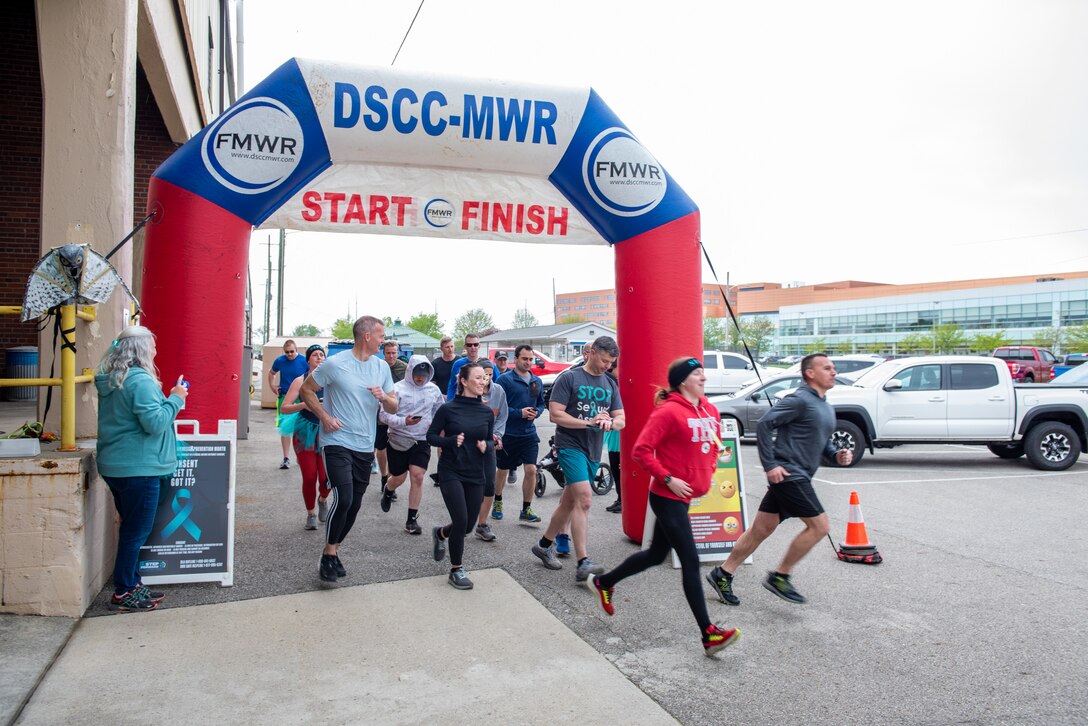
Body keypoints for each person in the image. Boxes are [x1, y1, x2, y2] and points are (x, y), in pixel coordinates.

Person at [589, 356, 741, 657]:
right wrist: (669, 478)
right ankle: (709, 634)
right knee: (691, 559)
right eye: (698, 374)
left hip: (686, 497)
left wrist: (707, 472)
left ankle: (604, 581)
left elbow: (715, 446)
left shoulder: (710, 410)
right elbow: (640, 451)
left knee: (655, 555)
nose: (704, 379)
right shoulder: (669, 412)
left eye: (703, 374)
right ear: (683, 381)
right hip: (667, 496)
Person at [706, 353, 851, 606]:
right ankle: (780, 576)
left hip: (798, 474)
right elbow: (764, 424)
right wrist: (770, 464)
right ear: (810, 373)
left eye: (834, 368)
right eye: (827, 368)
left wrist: (836, 454)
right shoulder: (799, 400)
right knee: (820, 527)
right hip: (789, 475)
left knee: (761, 529)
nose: (834, 372)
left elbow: (822, 440)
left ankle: (723, 573)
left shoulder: (825, 405)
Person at [95, 325, 188, 612]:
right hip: (140, 467)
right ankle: (124, 591)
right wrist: (176, 398)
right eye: (153, 346)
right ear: (143, 350)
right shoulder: (141, 382)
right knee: (136, 531)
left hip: (116, 465)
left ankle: (132, 584)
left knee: (131, 526)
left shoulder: (112, 380)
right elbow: (155, 423)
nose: (156, 352)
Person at [301, 316, 397, 584]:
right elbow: (307, 390)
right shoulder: (335, 364)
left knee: (354, 504)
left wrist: (384, 397)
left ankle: (334, 549)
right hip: (336, 440)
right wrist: (324, 416)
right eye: (380, 335)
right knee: (343, 498)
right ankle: (329, 554)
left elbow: (394, 407)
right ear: (366, 336)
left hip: (364, 445)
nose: (384, 340)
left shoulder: (381, 367)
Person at [532, 336, 624, 583]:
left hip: (593, 450)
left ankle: (543, 545)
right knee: (584, 498)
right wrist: (588, 422)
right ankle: (584, 562)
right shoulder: (569, 378)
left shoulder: (610, 384)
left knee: (568, 502)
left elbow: (621, 419)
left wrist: (609, 422)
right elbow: (555, 415)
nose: (607, 365)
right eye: (604, 360)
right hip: (569, 446)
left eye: (611, 362)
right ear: (591, 353)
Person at [427, 362, 494, 590]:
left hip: (475, 473)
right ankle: (456, 569)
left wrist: (488, 445)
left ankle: (441, 533)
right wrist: (449, 441)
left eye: (484, 378)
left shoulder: (486, 411)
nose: (482, 381)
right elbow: (431, 436)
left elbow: (491, 439)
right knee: (461, 520)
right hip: (451, 470)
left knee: (465, 527)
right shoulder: (448, 409)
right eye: (477, 378)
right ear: (463, 381)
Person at [378, 355, 445, 534]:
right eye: (417, 373)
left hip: (422, 440)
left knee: (418, 476)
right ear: (410, 371)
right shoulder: (396, 389)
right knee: (398, 478)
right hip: (399, 438)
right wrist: (404, 422)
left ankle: (411, 520)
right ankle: (389, 488)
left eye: (424, 374)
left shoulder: (434, 390)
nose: (420, 377)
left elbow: (440, 411)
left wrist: (438, 426)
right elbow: (383, 416)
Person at [278, 345, 331, 530]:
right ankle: (311, 513)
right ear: (308, 360)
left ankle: (323, 499)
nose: (318, 357)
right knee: (309, 477)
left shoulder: (331, 381)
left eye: (321, 355)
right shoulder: (299, 381)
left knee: (327, 478)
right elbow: (284, 407)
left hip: (328, 432)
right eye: (314, 355)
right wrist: (304, 406)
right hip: (305, 431)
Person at [494, 344, 546, 523]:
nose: (528, 362)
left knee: (531, 469)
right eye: (524, 358)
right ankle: (497, 501)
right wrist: (519, 413)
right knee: (502, 470)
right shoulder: (504, 380)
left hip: (529, 434)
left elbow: (541, 403)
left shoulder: (536, 381)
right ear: (515, 359)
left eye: (531, 359)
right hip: (508, 433)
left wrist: (536, 412)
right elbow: (498, 407)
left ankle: (526, 508)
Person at [474, 359, 507, 542]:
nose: (487, 377)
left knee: (489, 484)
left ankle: (482, 524)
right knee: (471, 486)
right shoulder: (470, 391)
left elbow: (502, 415)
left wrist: (497, 435)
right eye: (483, 374)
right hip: (470, 444)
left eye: (490, 373)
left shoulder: (499, 391)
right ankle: (462, 521)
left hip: (490, 444)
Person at [268, 339, 308, 469]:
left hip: (301, 397)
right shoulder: (280, 360)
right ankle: (286, 458)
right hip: (285, 397)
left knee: (301, 428)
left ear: (296, 350)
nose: (289, 354)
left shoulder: (303, 361)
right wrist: (272, 387)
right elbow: (271, 373)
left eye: (292, 352)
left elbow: (311, 375)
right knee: (285, 428)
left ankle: (300, 456)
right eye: (287, 352)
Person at [375, 341, 408, 487]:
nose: (391, 356)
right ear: (383, 353)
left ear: (397, 352)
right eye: (388, 353)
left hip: (399, 412)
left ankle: (390, 480)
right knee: (381, 448)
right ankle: (383, 476)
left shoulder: (404, 368)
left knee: (394, 448)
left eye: (394, 352)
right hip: (381, 413)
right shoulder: (377, 367)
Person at [604, 359, 623, 513]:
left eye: (612, 370)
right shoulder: (613, 384)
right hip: (614, 434)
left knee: (621, 469)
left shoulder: (622, 385)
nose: (609, 373)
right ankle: (619, 498)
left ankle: (623, 500)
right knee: (615, 468)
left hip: (621, 435)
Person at [445, 333, 483, 400]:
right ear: (465, 346)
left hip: (481, 403)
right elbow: (452, 385)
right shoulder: (458, 364)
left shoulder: (487, 364)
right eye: (469, 345)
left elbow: (494, 386)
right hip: (462, 402)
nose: (473, 347)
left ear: (479, 346)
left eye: (475, 344)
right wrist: (449, 402)